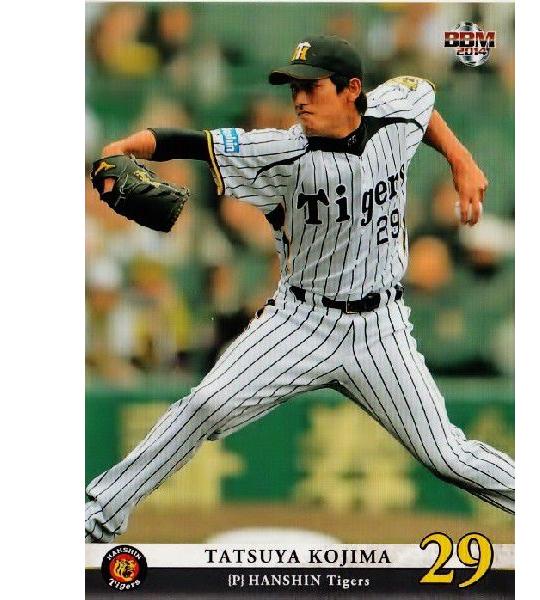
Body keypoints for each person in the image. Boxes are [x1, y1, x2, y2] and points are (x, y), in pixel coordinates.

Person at [85, 35, 514, 543]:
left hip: (381, 329)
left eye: (312, 87)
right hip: (300, 322)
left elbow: (425, 107)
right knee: (205, 406)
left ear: (352, 89)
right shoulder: (281, 150)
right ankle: (96, 516)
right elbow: (188, 143)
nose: (300, 98)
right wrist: (121, 148)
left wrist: (460, 159)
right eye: (294, 88)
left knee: (446, 453)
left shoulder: (395, 110)